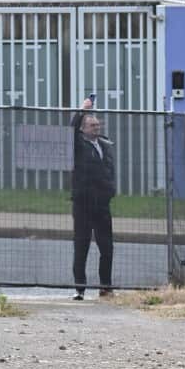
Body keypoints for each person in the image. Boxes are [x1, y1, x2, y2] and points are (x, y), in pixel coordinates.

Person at [70, 96, 116, 299]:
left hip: (102, 205)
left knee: (106, 246)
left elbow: (110, 170)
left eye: (98, 124)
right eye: (92, 125)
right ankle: (80, 288)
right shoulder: (78, 145)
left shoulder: (105, 144)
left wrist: (111, 190)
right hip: (83, 204)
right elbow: (70, 131)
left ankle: (106, 286)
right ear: (83, 128)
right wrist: (81, 110)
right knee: (82, 246)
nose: (96, 128)